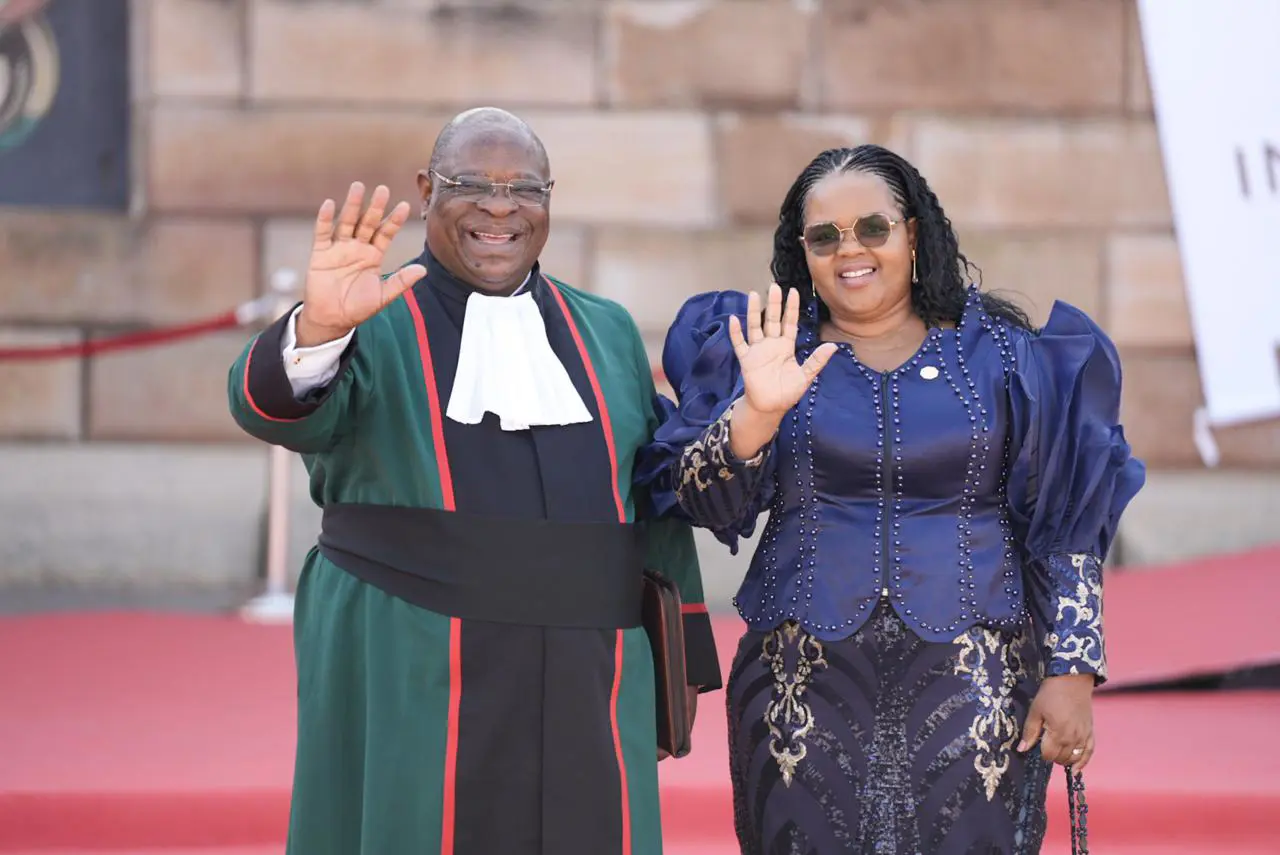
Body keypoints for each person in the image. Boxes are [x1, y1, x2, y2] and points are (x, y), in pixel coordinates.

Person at [227, 107, 721, 855]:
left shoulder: (605, 328)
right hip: (413, 655)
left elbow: (650, 499)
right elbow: (273, 409)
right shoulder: (375, 317)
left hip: (589, 672)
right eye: (471, 185)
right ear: (427, 190)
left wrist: (679, 651)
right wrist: (320, 332)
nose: (500, 207)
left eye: (525, 188)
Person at [635, 144, 1145, 854]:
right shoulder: (767, 350)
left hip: (977, 687)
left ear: (913, 233)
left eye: (872, 227)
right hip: (800, 689)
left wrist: (1072, 669)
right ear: (802, 252)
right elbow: (700, 501)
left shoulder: (1005, 355)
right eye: (825, 236)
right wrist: (754, 415)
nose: (851, 250)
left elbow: (1064, 523)